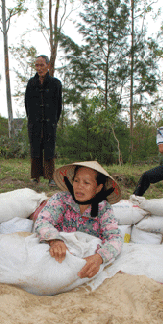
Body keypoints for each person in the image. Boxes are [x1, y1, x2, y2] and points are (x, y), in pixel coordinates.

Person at [34, 161, 122, 279]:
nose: (79, 186)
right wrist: (54, 240)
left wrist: (99, 258)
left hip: (84, 258)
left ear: (98, 188)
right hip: (59, 254)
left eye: (86, 182)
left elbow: (115, 238)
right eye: (76, 181)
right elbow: (43, 221)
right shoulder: (61, 199)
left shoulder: (104, 209)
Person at [25, 55, 63, 187]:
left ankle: (51, 177)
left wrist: (53, 121)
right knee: (35, 148)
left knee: (49, 149)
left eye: (42, 65)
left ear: (48, 65)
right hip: (34, 122)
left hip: (49, 122)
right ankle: (35, 177)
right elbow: (27, 104)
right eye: (37, 65)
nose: (39, 68)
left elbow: (59, 106)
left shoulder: (56, 83)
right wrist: (31, 119)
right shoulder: (31, 83)